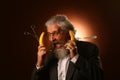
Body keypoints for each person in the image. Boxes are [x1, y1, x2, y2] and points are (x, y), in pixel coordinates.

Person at [31, 15, 103, 80]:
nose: (51, 39)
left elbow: (98, 77)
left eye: (55, 33)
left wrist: (76, 58)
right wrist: (39, 63)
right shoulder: (49, 55)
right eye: (49, 34)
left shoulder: (90, 49)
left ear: (68, 33)